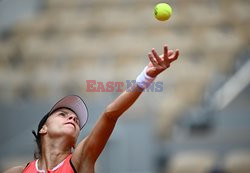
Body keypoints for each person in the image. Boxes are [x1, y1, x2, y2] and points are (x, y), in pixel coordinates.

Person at [4, 44, 179, 173]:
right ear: (43, 128)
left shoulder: (80, 160)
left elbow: (110, 114)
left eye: (76, 120)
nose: (72, 118)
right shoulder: (17, 172)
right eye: (63, 114)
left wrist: (145, 78)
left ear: (75, 142)